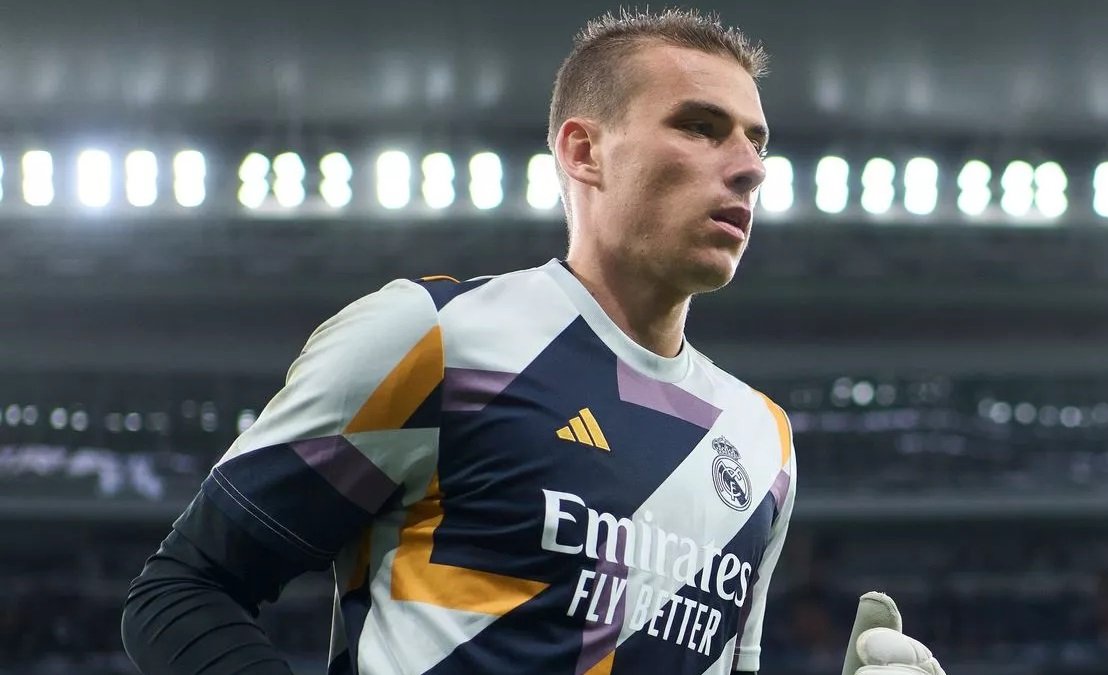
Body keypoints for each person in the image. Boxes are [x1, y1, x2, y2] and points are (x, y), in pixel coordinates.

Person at [123, 8, 942, 675]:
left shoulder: (764, 440)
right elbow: (184, 589)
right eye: (701, 126)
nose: (749, 167)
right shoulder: (434, 338)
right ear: (584, 152)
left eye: (757, 142)